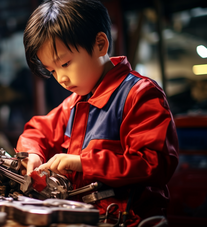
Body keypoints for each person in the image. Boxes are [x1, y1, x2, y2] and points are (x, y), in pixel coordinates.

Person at [15, 0, 179, 226]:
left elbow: (154, 163)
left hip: (133, 220)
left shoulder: (139, 95)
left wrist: (83, 163)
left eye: (65, 63)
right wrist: (32, 154)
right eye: (52, 70)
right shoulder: (75, 103)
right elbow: (37, 130)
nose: (61, 78)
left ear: (100, 44)